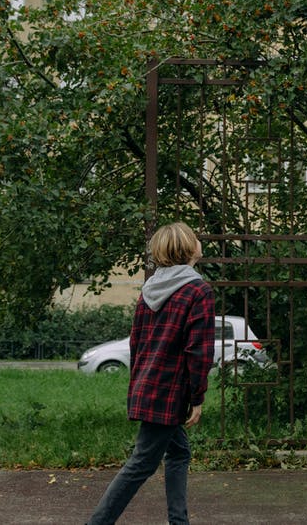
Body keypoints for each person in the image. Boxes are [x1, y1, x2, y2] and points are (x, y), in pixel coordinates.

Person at [87, 221, 215, 525]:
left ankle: (178, 521)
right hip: (171, 393)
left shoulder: (150, 290)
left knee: (179, 452)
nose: (200, 240)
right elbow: (198, 351)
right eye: (195, 237)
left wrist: (141, 385)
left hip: (148, 387)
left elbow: (137, 343)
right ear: (188, 248)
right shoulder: (199, 290)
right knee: (141, 464)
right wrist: (197, 397)